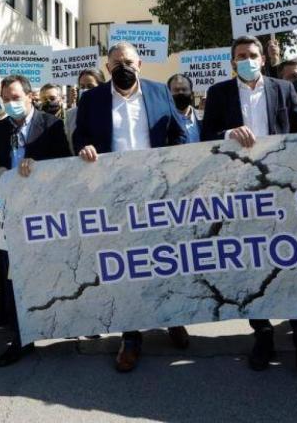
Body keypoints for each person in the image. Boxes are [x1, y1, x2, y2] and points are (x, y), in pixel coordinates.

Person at [200, 36, 297, 391]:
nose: (247, 60)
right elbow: (205, 138)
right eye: (241, 56)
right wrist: (228, 132)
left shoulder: (282, 89)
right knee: (253, 265)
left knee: (293, 263)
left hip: (281, 191)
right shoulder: (218, 94)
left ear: (264, 59)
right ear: (233, 62)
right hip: (241, 195)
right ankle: (262, 335)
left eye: (253, 55)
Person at [74, 42, 189, 373]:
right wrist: (85, 150)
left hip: (157, 191)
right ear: (108, 68)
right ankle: (131, 336)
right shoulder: (92, 99)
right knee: (129, 265)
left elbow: (178, 135)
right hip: (114, 193)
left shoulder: (158, 93)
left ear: (139, 63)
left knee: (167, 260)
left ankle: (174, 318)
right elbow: (79, 137)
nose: (123, 66)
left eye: (128, 61)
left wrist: (173, 170)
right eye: (116, 63)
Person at [0, 74, 72, 366]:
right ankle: (21, 334)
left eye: (15, 98)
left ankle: (62, 318)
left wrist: (39, 167)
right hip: (10, 211)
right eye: (6, 99)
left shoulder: (52, 125)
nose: (10, 104)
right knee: (10, 270)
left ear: (30, 97)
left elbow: (64, 164)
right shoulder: (0, 129)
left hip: (44, 211)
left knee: (49, 267)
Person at [64, 69, 104, 150]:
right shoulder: (71, 114)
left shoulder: (110, 110)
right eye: (82, 86)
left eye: (90, 86)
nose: (85, 90)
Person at [167, 74, 201, 143]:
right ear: (168, 94)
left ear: (192, 94)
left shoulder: (204, 117)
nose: (180, 92)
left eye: (184, 89)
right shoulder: (164, 122)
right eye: (176, 90)